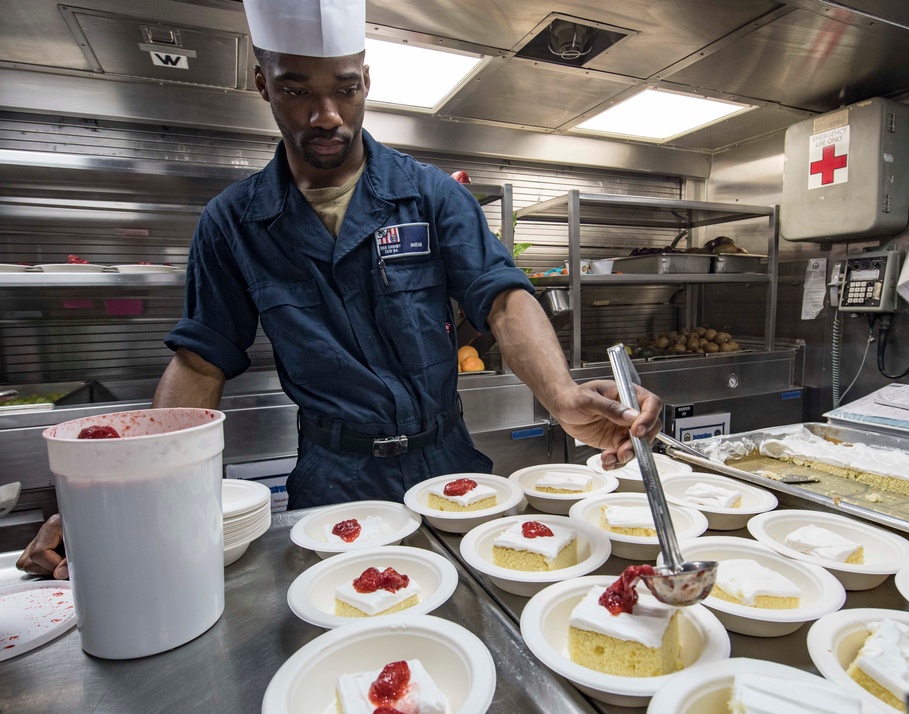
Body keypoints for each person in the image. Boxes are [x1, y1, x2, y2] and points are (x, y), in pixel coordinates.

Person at [17, 0, 662, 579]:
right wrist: (122, 498)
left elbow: (500, 296)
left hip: (448, 462)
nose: (326, 115)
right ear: (263, 82)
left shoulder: (431, 194)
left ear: (366, 81)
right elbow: (199, 358)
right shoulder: (233, 223)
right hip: (336, 481)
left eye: (345, 89)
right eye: (297, 90)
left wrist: (561, 395)